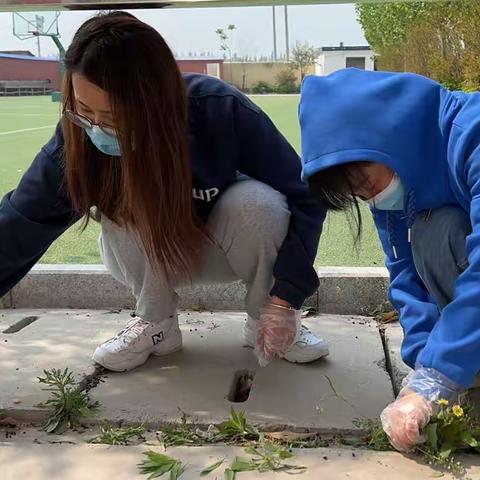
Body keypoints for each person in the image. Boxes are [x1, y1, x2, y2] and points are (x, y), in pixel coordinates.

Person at [0, 11, 329, 373]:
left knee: (257, 204)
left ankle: (265, 318)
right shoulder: (77, 136)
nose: (96, 129)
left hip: (226, 250)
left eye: (112, 118)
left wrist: (286, 298)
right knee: (125, 195)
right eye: (83, 111)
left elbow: (305, 196)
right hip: (149, 259)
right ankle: (156, 324)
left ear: (154, 100)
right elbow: (22, 221)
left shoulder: (219, 110)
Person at [299, 68, 480, 452]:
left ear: (389, 135)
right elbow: (404, 275)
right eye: (358, 196)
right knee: (432, 234)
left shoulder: (472, 135)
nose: (371, 198)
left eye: (365, 183)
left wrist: (439, 374)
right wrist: (421, 371)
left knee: (440, 228)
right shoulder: (393, 187)